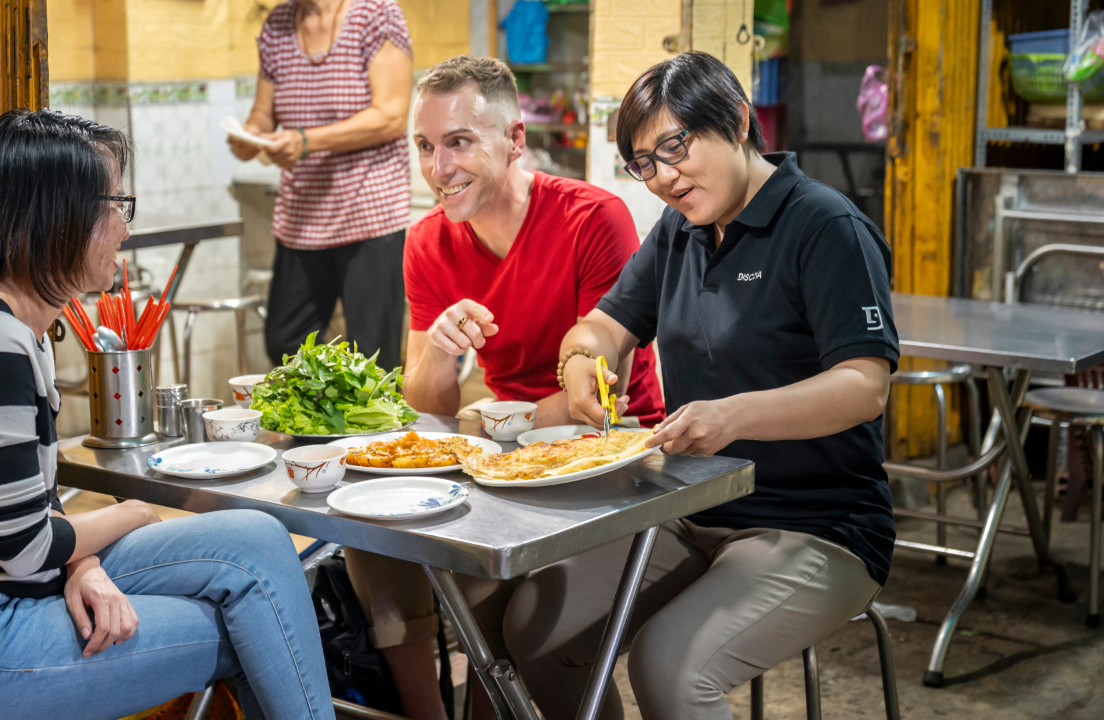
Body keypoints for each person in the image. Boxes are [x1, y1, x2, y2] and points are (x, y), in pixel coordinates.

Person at [0, 109, 336, 720]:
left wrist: (84, 567)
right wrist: (130, 513)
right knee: (258, 620)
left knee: (259, 538)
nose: (125, 229)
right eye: (117, 205)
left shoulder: (18, 331)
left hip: (1, 594)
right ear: (59, 214)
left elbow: (32, 508)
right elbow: (26, 545)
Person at [505, 52, 900, 720]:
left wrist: (734, 416)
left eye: (675, 146)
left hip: (818, 528)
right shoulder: (681, 231)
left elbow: (865, 386)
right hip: (690, 513)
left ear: (740, 121)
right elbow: (600, 328)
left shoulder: (825, 227)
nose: (663, 177)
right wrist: (582, 369)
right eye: (644, 162)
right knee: (535, 632)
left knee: (670, 668)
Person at [343, 55, 665, 720]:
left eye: (459, 142)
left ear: (515, 141)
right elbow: (426, 408)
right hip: (502, 458)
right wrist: (436, 349)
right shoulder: (426, 241)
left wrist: (484, 427)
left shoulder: (591, 218)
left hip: (614, 460)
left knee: (513, 607)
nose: (438, 169)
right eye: (426, 147)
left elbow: (601, 396)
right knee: (373, 545)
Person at [229, 0, 413, 371]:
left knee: (373, 356)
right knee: (285, 342)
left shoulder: (375, 14)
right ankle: (315, 431)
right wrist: (251, 135)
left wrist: (307, 140)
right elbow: (264, 112)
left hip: (370, 214)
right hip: (303, 217)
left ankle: (372, 431)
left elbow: (391, 116)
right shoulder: (278, 24)